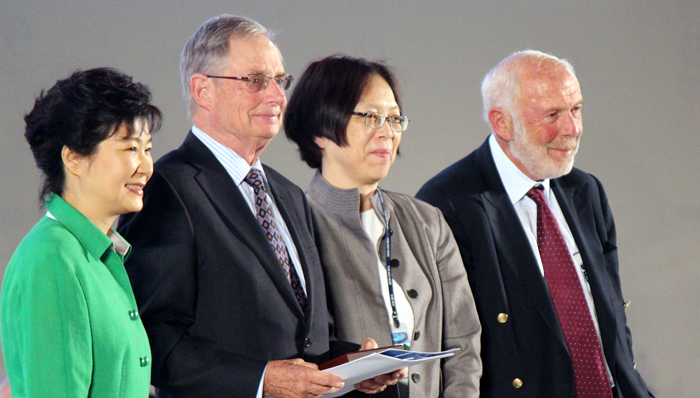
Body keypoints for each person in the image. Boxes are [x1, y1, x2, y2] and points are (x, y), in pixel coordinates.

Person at [117, 15, 402, 398]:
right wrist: (260, 379)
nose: (277, 96)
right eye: (255, 81)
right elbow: (151, 338)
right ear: (202, 90)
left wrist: (353, 365)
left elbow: (306, 341)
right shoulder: (167, 188)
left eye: (280, 81)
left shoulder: (289, 196)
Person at [416, 50, 655, 397]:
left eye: (576, 109)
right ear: (502, 123)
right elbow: (451, 347)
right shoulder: (446, 205)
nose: (572, 128)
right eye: (553, 114)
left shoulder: (584, 190)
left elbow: (611, 312)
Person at [284, 55, 482, 398]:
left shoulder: (426, 221)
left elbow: (464, 344)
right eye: (371, 117)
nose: (387, 132)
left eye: (393, 119)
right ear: (320, 131)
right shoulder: (294, 223)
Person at [0, 67, 162, 397]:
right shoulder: (52, 259)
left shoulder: (96, 255)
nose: (146, 166)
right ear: (73, 158)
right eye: (130, 149)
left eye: (147, 149)